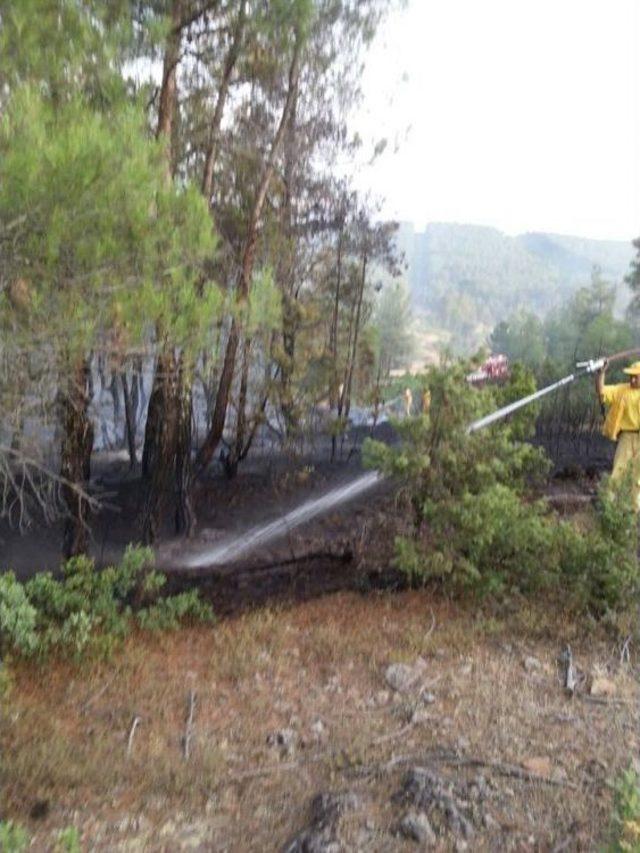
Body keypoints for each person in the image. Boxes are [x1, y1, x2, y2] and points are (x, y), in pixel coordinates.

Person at [596, 359, 640, 509]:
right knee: (619, 471)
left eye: (636, 376)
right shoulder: (622, 390)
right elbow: (602, 391)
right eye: (631, 376)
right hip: (627, 436)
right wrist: (601, 373)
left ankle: (634, 512)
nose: (633, 379)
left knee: (637, 476)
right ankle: (609, 506)